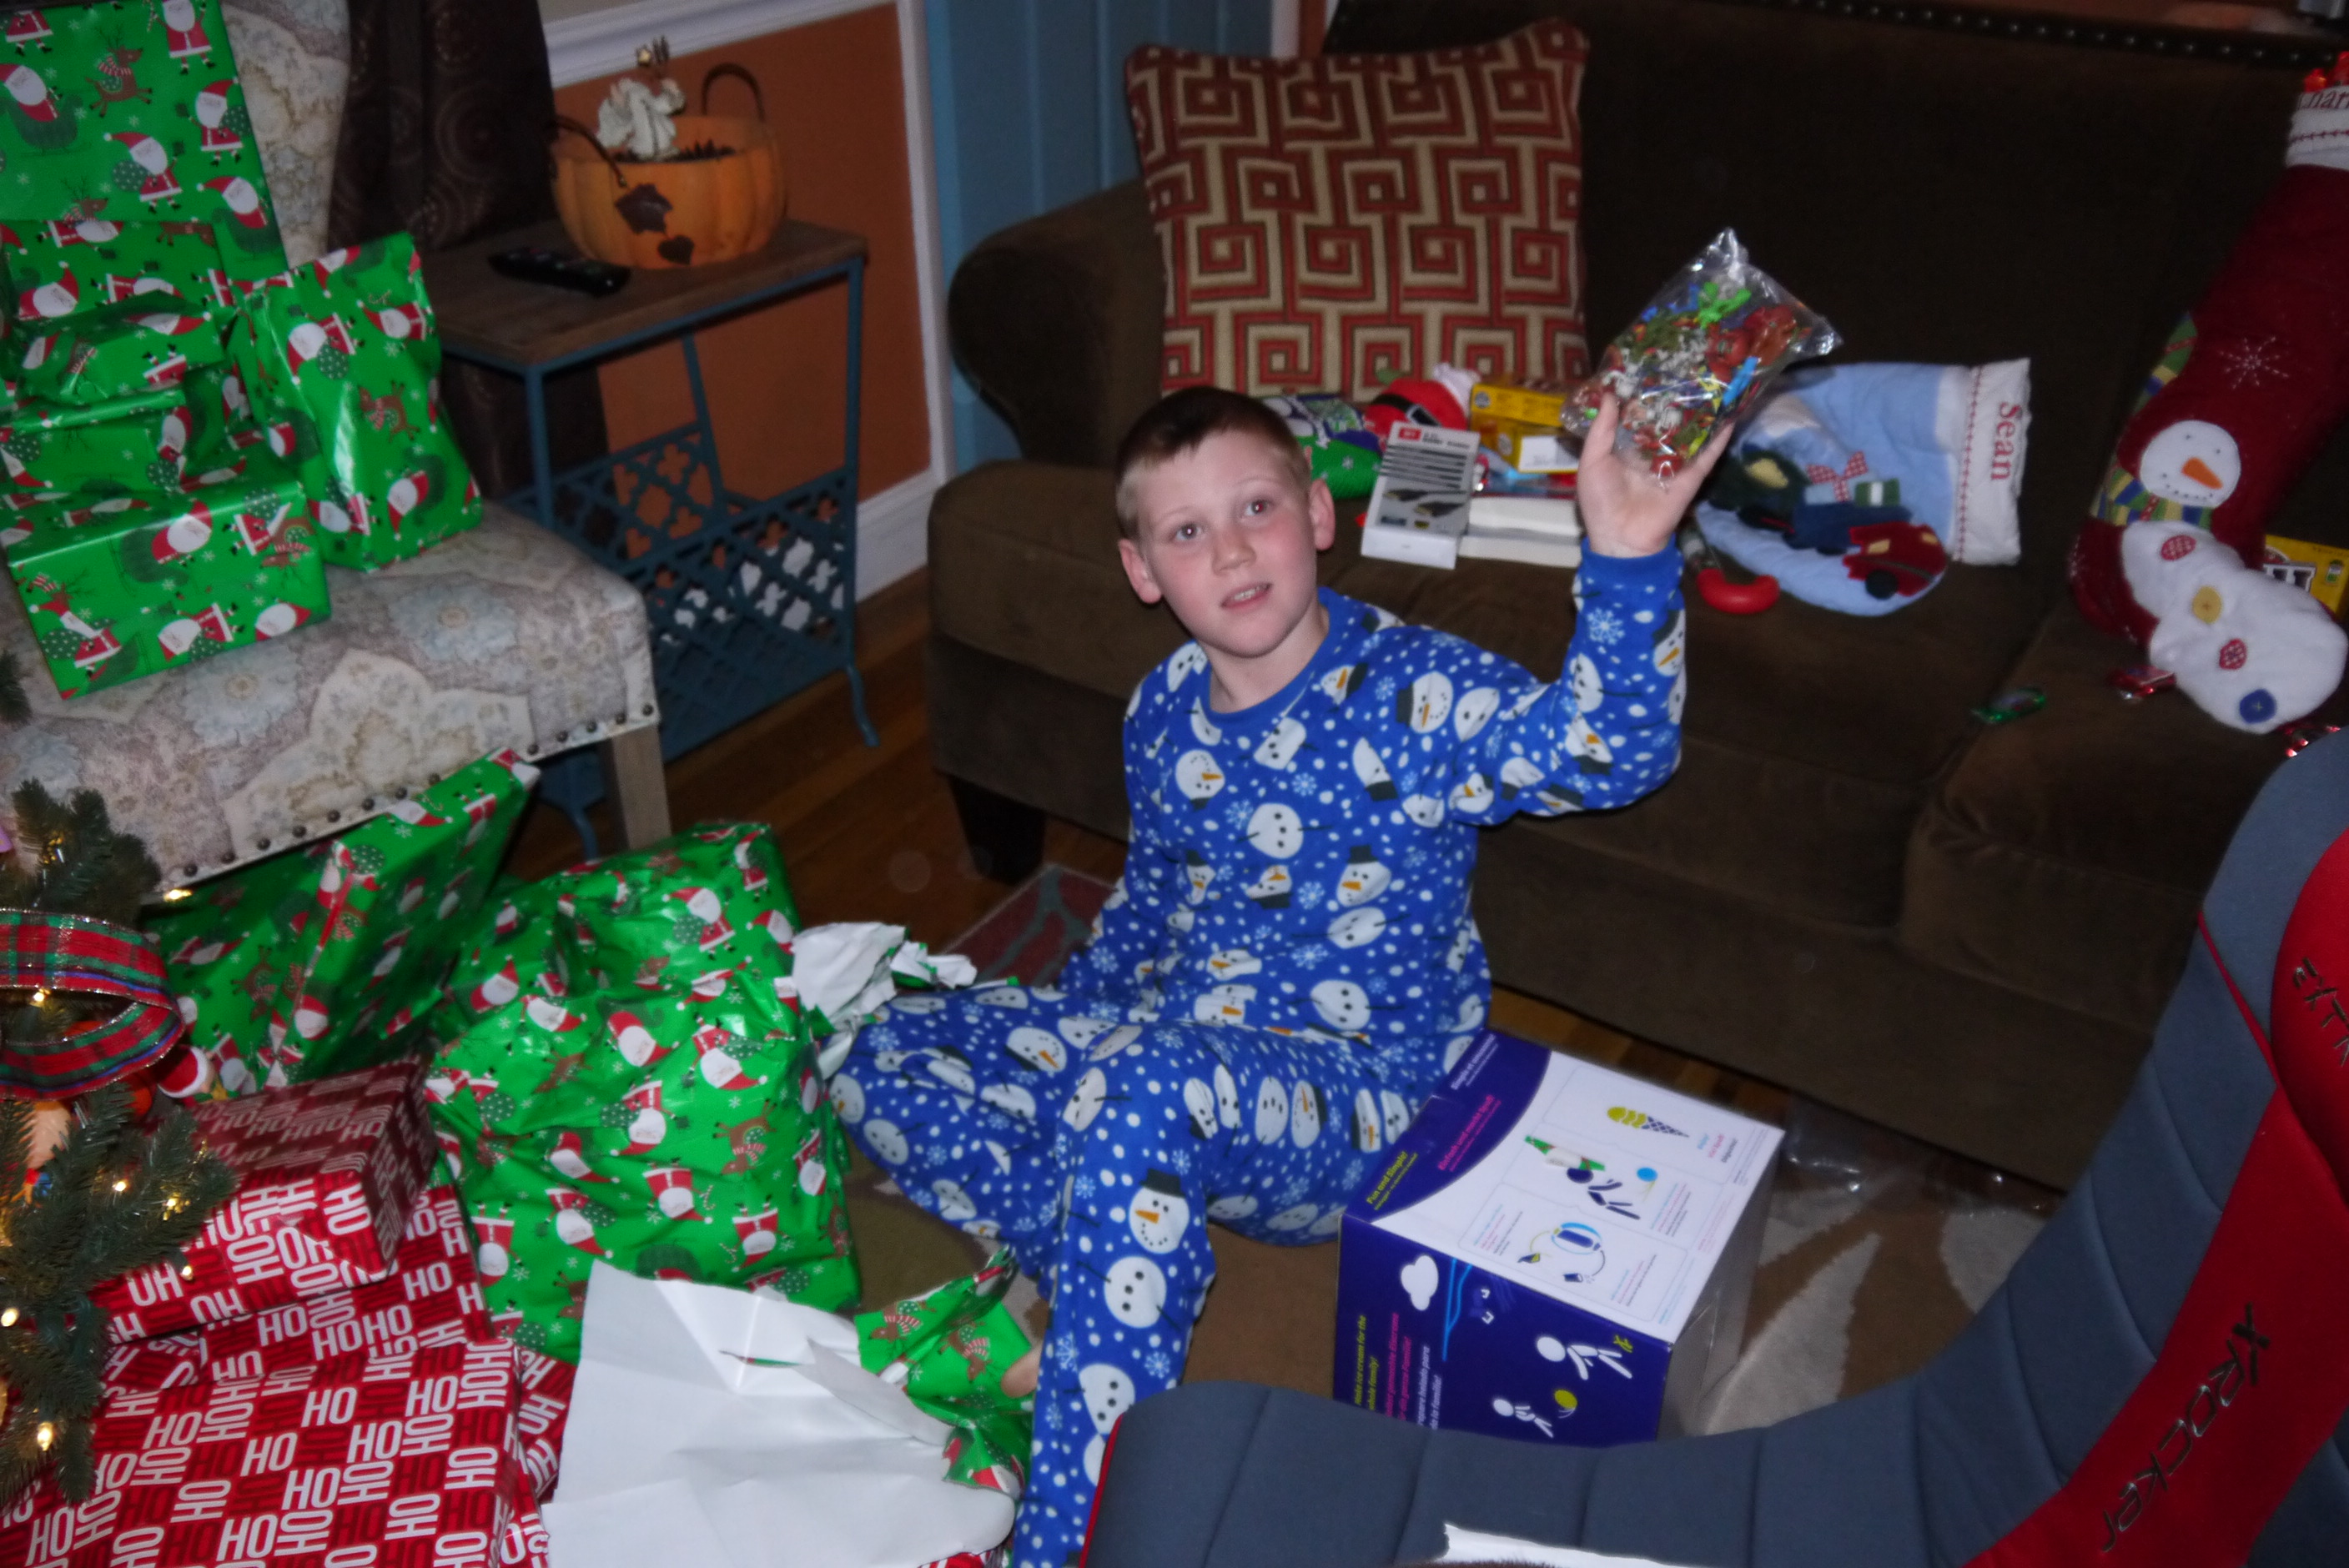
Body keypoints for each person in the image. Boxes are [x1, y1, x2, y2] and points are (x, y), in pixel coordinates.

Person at [834, 385, 1726, 1566]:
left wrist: (1630, 557)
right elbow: (1151, 904)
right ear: (1143, 570)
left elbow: (1609, 750)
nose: (1232, 551)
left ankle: (1071, 1533)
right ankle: (1097, 1244)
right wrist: (1064, 1036)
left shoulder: (1416, 692)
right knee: (872, 1043)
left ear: (1317, 515)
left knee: (1138, 1095)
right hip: (1174, 1057)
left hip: (1362, 1105)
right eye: (1187, 530)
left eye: (1256, 507)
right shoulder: (1162, 710)